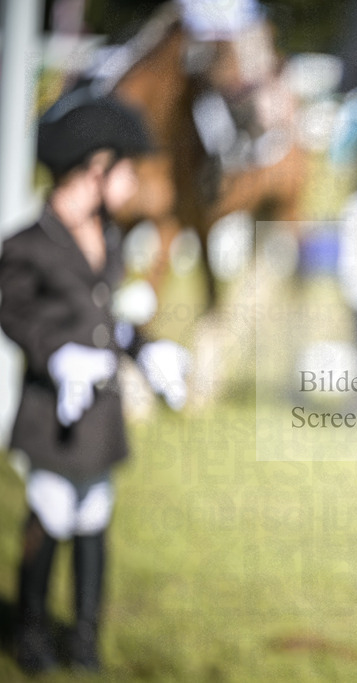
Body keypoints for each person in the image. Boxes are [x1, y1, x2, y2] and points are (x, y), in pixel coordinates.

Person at [0, 91, 189, 674]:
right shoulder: (29, 243)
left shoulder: (106, 235)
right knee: (51, 514)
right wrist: (56, 355)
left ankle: (84, 637)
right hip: (52, 412)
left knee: (94, 521)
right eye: (126, 167)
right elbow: (13, 311)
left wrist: (146, 350)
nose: (133, 181)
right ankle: (30, 630)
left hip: (99, 414)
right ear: (94, 167)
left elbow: (108, 319)